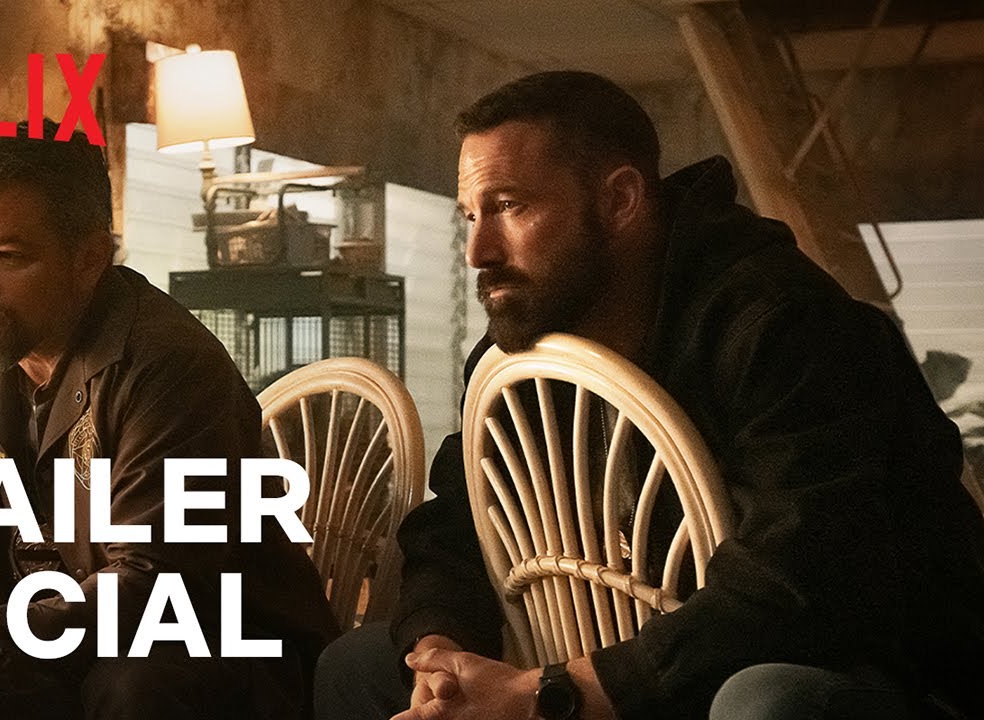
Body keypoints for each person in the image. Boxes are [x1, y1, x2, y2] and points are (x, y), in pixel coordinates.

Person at [314, 71, 984, 720]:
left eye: (511, 206)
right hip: (626, 658)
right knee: (357, 666)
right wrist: (440, 656)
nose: (477, 251)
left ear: (620, 201)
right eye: (470, 215)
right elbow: (456, 525)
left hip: (857, 669)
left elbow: (801, 583)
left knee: (766, 701)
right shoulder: (522, 350)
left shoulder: (784, 325)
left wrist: (553, 693)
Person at [0, 119, 338, 720]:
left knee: (130, 683)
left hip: (207, 644)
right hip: (36, 645)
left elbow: (152, 584)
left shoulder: (171, 367)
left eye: (8, 256)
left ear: (89, 259)